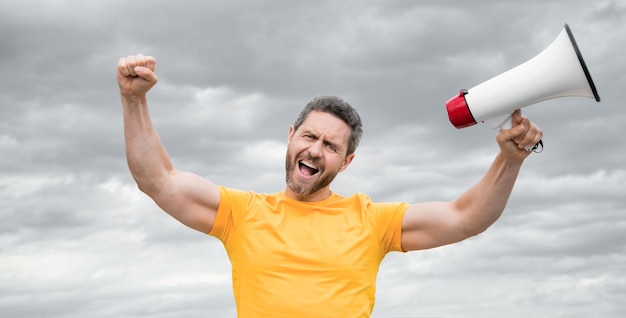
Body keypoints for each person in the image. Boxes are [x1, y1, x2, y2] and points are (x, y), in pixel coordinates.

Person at [116, 53, 543, 317]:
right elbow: (158, 180)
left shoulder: (371, 220)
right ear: (290, 136)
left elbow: (466, 218)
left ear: (347, 160)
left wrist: (509, 158)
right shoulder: (241, 213)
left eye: (331, 146)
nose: (317, 150)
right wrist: (134, 100)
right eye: (309, 137)